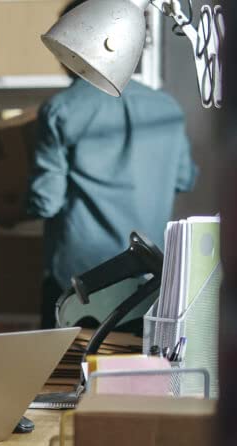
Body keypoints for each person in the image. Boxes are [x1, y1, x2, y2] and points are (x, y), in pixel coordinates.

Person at [27, 0, 199, 328]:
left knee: (70, 376)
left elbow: (45, 202)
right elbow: (185, 178)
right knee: (138, 375)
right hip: (148, 281)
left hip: (79, 286)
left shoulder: (60, 110)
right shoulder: (168, 109)